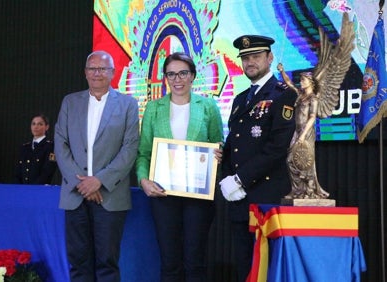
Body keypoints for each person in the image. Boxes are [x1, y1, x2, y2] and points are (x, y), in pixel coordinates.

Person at [136, 52, 224, 282]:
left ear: (193, 76)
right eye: (171, 74)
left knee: (195, 260)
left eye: (183, 73)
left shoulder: (207, 107)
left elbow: (218, 143)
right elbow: (144, 153)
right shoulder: (154, 108)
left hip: (198, 195)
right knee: (169, 261)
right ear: (165, 77)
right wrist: (144, 180)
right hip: (163, 194)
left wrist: (219, 153)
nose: (177, 79)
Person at [54, 50, 139, 282]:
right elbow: (60, 144)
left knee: (107, 263)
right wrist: (82, 184)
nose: (97, 73)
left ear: (113, 72)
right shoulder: (70, 102)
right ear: (85, 72)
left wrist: (98, 181)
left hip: (109, 196)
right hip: (75, 195)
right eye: (92, 68)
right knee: (79, 262)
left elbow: (130, 149)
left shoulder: (128, 105)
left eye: (103, 69)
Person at [220, 35, 297, 281]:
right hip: (239, 200)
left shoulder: (283, 94)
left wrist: (240, 179)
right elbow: (234, 144)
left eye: (255, 56)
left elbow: (277, 147)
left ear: (270, 58)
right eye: (245, 58)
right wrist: (227, 177)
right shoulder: (240, 99)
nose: (249, 62)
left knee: (268, 267)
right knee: (245, 267)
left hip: (267, 197)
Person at [277, 63, 329, 199]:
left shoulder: (314, 98)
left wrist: (304, 135)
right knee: (290, 160)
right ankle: (298, 191)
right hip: (297, 131)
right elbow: (289, 83)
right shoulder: (300, 95)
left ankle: (309, 191)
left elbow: (312, 117)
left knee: (306, 161)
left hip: (306, 132)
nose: (301, 82)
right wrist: (282, 71)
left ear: (310, 82)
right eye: (300, 80)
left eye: (303, 80)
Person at [14, 113, 57, 184]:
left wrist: (33, 188)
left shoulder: (51, 147)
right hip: (22, 190)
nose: (36, 127)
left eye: (40, 124)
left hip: (39, 190)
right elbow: (18, 172)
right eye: (33, 124)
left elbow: (48, 171)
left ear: (47, 127)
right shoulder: (25, 147)